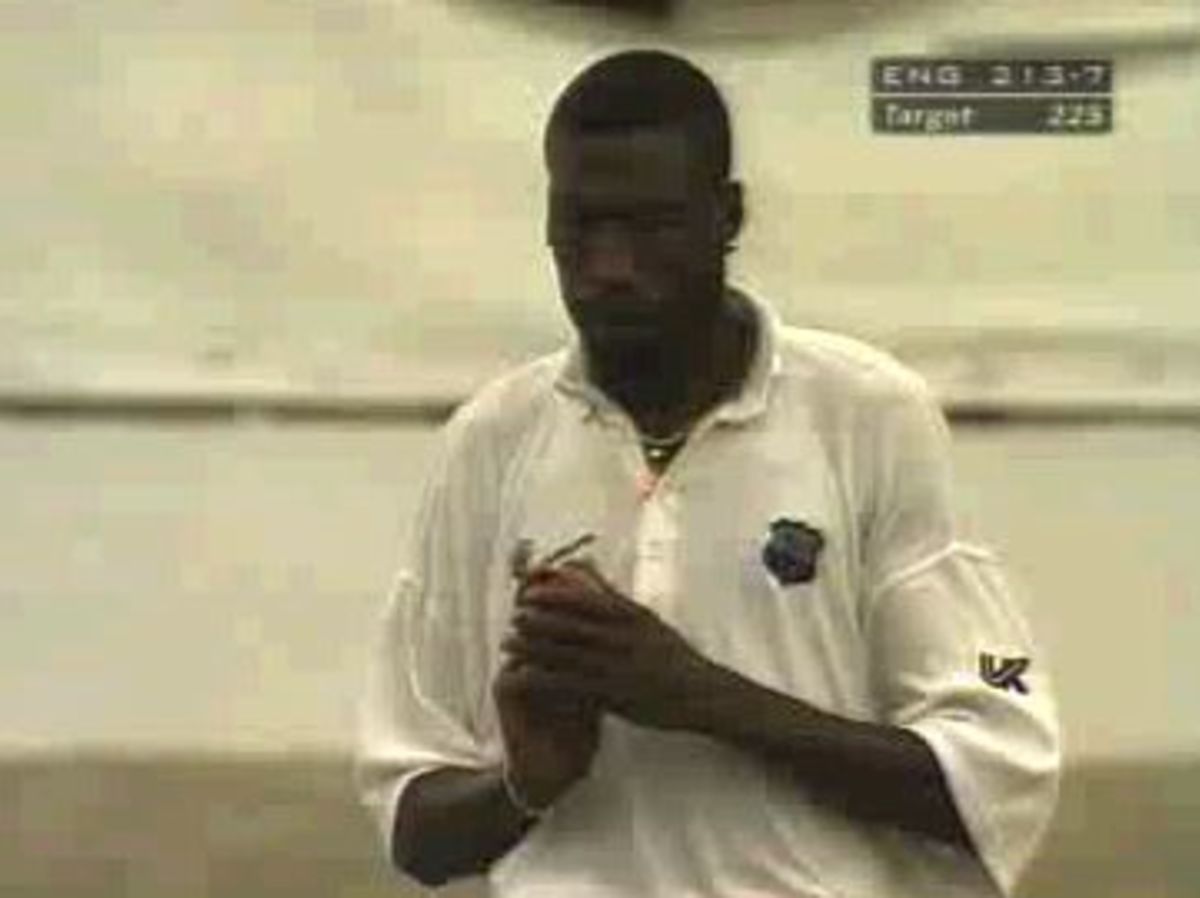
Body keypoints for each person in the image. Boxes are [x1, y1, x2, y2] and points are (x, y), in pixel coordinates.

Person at [355, 49, 1060, 897]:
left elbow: (988, 778)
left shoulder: (868, 415)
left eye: (649, 226)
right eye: (580, 225)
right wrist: (524, 786)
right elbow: (416, 830)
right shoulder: (491, 439)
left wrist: (697, 696)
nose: (609, 267)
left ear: (727, 216)